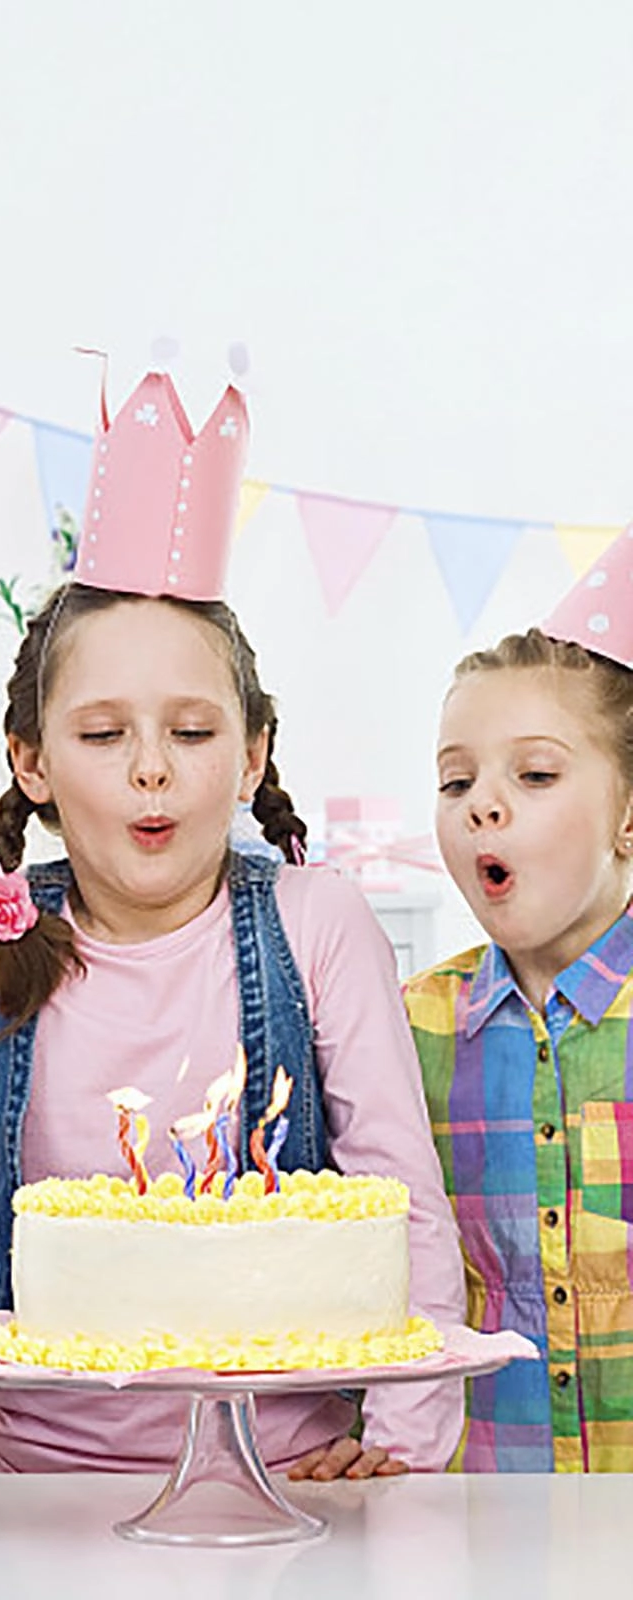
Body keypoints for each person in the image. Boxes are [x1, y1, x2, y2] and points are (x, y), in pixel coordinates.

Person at [0, 368, 466, 1490]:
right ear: (32, 759)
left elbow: (397, 1188)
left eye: (192, 729)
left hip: (292, 1476)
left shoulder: (316, 922)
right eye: (104, 732)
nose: (153, 766)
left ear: (253, 752)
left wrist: (403, 1450)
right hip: (29, 1482)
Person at [406, 530, 633, 1473]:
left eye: (534, 775)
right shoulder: (406, 1027)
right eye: (457, 780)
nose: (481, 804)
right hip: (479, 1530)